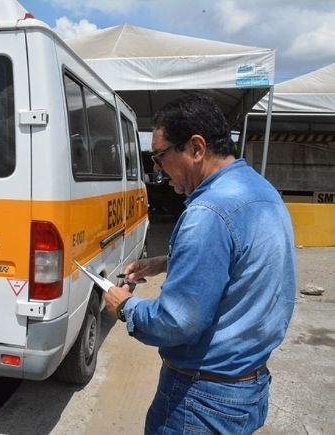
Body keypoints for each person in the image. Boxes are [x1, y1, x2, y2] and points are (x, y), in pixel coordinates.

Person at [105, 94, 296, 434]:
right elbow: (241, 261)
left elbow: (178, 322)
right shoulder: (262, 191)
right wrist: (165, 262)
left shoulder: (207, 213)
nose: (157, 171)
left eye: (159, 157)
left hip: (201, 400)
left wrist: (126, 307)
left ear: (195, 148)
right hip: (248, 388)